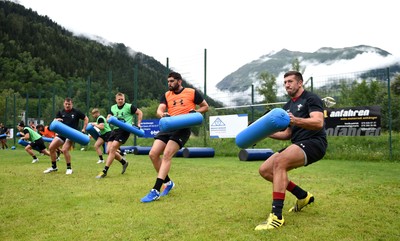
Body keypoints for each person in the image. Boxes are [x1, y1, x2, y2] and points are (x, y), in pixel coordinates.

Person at [254, 71, 328, 231]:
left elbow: (318, 122)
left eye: (290, 81)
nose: (287, 85)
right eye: (285, 82)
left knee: (280, 162)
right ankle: (303, 196)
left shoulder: (311, 98)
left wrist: (295, 120)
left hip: (315, 142)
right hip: (297, 143)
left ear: (300, 83)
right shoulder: (287, 107)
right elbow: (287, 134)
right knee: (265, 170)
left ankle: (276, 217)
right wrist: (264, 133)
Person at [140, 71, 209, 203]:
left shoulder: (192, 92)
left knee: (166, 155)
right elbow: (159, 110)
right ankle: (168, 182)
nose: (169, 84)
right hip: (168, 125)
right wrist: (162, 114)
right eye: (168, 82)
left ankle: (156, 190)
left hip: (182, 128)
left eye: (172, 81)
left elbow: (205, 107)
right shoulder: (166, 95)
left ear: (179, 81)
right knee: (153, 154)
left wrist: (196, 111)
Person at [96, 92, 143, 178]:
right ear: (116, 100)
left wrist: (139, 124)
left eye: (122, 99)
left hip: (125, 130)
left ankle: (104, 171)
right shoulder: (113, 107)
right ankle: (124, 162)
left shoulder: (129, 106)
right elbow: (109, 115)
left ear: (124, 99)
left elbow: (140, 112)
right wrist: (108, 118)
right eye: (119, 99)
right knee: (108, 151)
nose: (120, 101)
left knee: (113, 148)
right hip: (115, 130)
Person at [43, 97, 89, 175]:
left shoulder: (76, 112)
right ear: (64, 104)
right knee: (51, 147)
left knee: (64, 149)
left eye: (69, 104)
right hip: (62, 134)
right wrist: (56, 120)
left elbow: (86, 118)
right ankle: (54, 167)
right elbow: (54, 122)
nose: (67, 105)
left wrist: (84, 129)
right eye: (66, 104)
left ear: (72, 104)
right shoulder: (61, 112)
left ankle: (69, 168)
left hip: (71, 134)